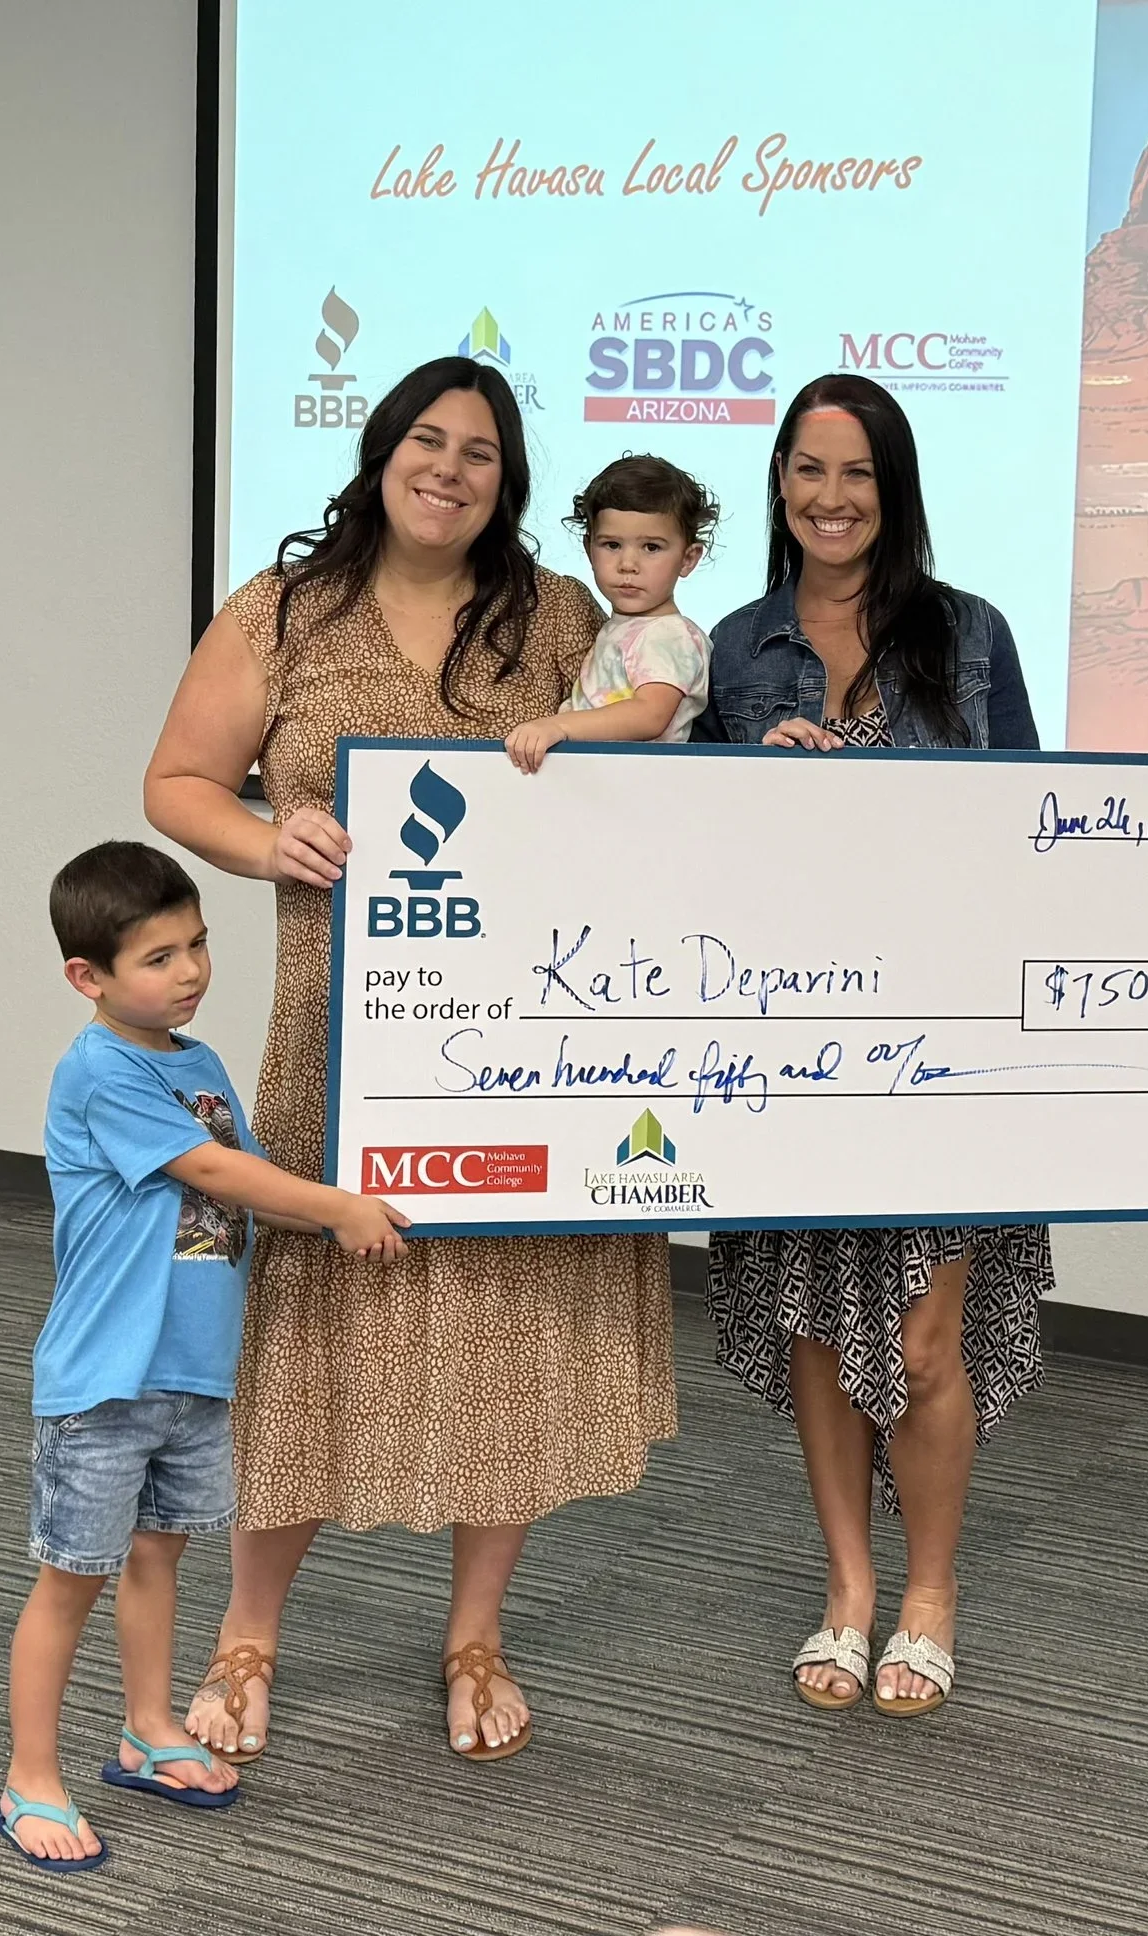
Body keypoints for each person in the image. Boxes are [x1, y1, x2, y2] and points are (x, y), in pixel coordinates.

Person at [696, 373, 1148, 1716]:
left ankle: (929, 1592)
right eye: (807, 469)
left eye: (856, 473)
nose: (829, 497)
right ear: (779, 483)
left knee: (920, 1340)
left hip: (952, 1052)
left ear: (894, 489)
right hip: (789, 1052)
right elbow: (692, 857)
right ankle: (848, 1585)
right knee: (807, 1322)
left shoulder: (969, 636)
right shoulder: (735, 648)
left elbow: (1043, 833)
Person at [143, 357, 678, 1766]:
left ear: (507, 484)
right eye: (427, 441)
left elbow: (655, 770)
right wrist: (270, 841)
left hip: (530, 1044)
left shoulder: (561, 617)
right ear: (383, 454)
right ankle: (247, 1633)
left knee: (506, 1319)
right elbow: (179, 781)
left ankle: (473, 1633)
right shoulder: (282, 612)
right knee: (320, 1325)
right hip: (338, 1039)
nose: (450, 468)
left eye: (483, 454)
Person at [0, 842, 406, 1872]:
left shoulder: (198, 1061)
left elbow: (246, 1184)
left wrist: (357, 1206)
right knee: (70, 1579)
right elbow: (213, 1169)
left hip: (193, 1373)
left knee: (158, 1556)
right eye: (159, 957)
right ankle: (28, 1778)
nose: (189, 972)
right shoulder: (101, 1071)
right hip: (104, 1382)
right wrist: (340, 1209)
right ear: (88, 978)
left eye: (199, 944)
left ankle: (147, 1730)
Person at [505, 454, 717, 772]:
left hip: (635, 792)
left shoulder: (668, 635)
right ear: (589, 547)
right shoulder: (625, 628)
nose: (627, 564)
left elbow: (651, 715)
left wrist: (559, 726)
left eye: (651, 547)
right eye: (612, 545)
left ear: (688, 559)